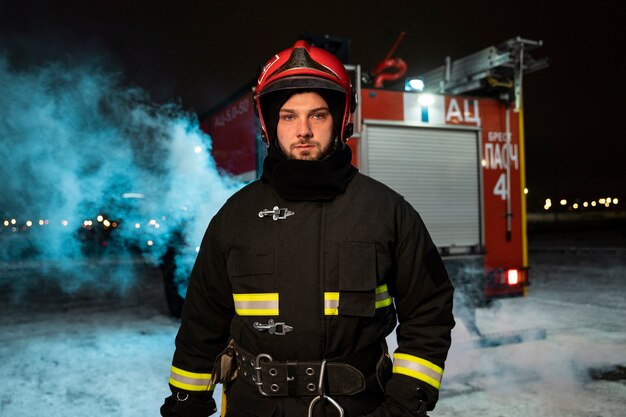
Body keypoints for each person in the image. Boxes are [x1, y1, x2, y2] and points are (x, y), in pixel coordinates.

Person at [160, 40, 455, 417]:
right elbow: (201, 324)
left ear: (340, 118)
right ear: (270, 124)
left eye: (317, 115)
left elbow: (429, 312)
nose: (303, 130)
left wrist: (403, 405)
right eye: (288, 116)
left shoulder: (387, 212)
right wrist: (186, 403)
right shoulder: (235, 217)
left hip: (359, 407)